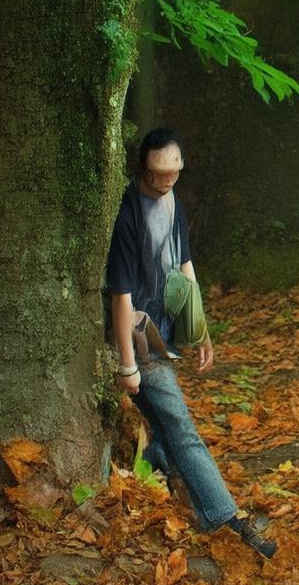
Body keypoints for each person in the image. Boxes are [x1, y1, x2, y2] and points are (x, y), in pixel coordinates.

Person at [103, 126, 276, 559]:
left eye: (173, 173)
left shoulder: (173, 199)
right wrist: (127, 364)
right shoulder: (128, 215)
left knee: (164, 425)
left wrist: (199, 330)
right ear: (144, 167)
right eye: (158, 174)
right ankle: (226, 519)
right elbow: (119, 296)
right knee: (181, 428)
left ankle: (157, 465)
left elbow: (184, 262)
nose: (165, 182)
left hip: (164, 331)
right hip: (138, 337)